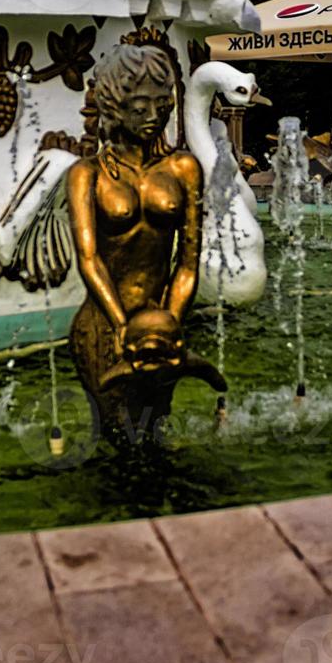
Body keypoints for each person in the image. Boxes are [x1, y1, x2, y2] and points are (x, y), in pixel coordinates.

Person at [66, 43, 224, 444]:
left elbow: (188, 262)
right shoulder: (87, 174)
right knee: (114, 433)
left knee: (155, 429)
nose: (153, 117)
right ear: (114, 107)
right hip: (105, 323)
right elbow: (89, 260)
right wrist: (122, 326)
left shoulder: (182, 167)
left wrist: (168, 322)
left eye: (161, 105)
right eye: (139, 108)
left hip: (162, 322)